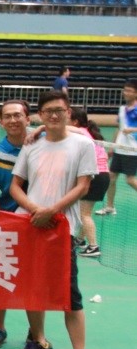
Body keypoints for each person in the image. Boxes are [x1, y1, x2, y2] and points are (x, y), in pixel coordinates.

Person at [9, 91, 96, 349]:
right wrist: (36, 210)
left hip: (62, 229)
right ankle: (38, 341)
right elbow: (16, 185)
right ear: (40, 116)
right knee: (33, 288)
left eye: (59, 110)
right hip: (31, 225)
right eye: (48, 111)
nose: (54, 115)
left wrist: (53, 211)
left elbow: (83, 186)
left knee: (70, 294)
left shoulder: (83, 144)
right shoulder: (31, 145)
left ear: (68, 112)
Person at [0, 99, 31, 349]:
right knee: (1, 275)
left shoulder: (41, 145)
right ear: (1, 122)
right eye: (8, 117)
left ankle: (36, 332)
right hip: (8, 222)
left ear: (28, 119)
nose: (13, 120)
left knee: (34, 278)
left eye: (18, 115)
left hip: (39, 221)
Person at [69, 108, 108, 259]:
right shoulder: (91, 133)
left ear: (75, 122)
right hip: (102, 175)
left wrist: (41, 127)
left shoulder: (81, 132)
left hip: (95, 176)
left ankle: (93, 246)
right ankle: (80, 239)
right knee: (85, 211)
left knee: (84, 214)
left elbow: (63, 129)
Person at [99, 78, 137, 216]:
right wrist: (112, 147)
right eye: (125, 90)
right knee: (111, 177)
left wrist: (133, 130)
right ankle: (110, 206)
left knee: (130, 180)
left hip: (132, 150)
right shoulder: (122, 109)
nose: (125, 93)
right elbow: (118, 128)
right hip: (119, 148)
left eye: (129, 91)